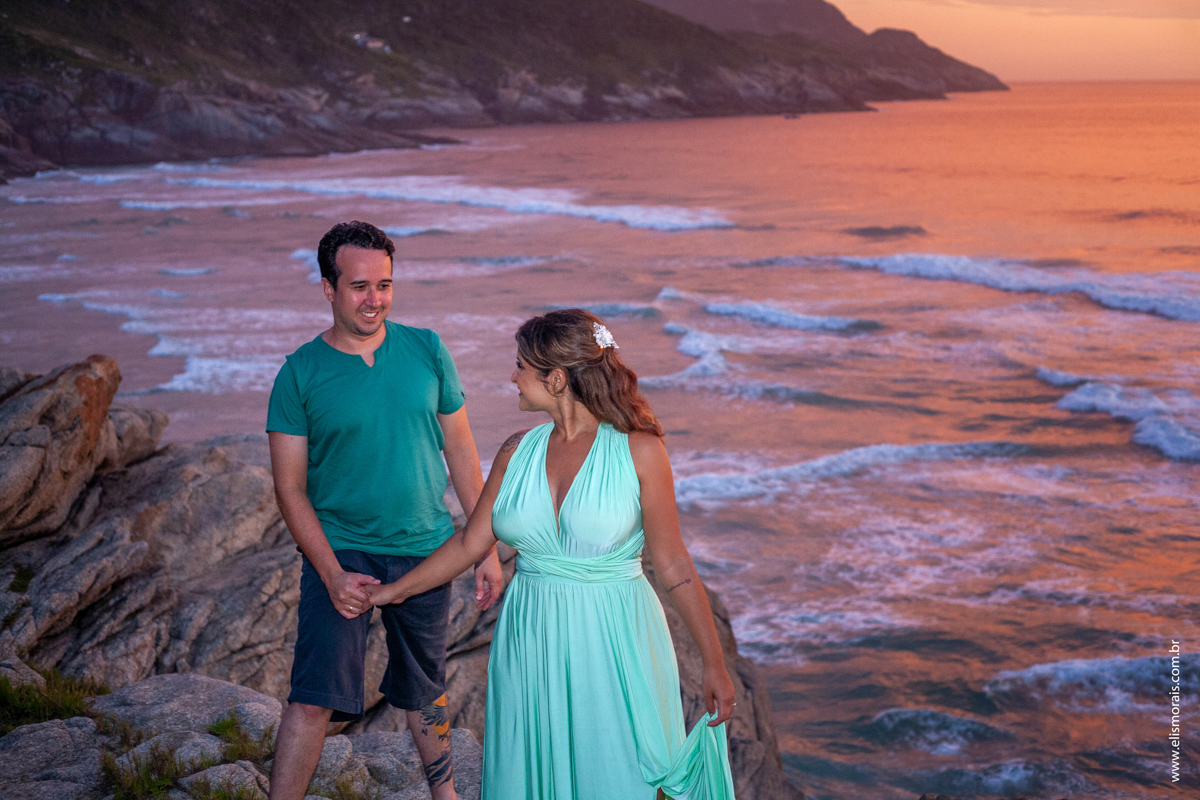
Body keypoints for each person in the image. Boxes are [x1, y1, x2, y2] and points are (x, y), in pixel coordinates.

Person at [365, 309, 738, 799]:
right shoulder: (515, 451)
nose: (512, 377)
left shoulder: (640, 451)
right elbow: (470, 543)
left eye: (521, 366)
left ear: (557, 379)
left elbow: (673, 564)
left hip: (614, 640)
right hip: (530, 637)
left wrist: (714, 662)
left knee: (617, 774)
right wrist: (392, 592)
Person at [265, 221, 503, 800]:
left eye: (385, 285)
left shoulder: (427, 349)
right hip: (343, 551)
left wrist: (485, 549)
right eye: (359, 286)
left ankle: (446, 796)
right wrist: (331, 573)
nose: (374, 299)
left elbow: (462, 453)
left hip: (426, 547)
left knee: (426, 690)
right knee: (314, 697)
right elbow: (290, 490)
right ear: (329, 288)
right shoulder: (299, 374)